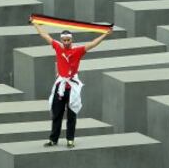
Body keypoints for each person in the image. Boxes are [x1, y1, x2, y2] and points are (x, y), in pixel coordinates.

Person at [30, 18, 112, 148]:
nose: (66, 42)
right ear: (62, 40)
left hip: (72, 87)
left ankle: (70, 139)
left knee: (72, 114)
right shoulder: (57, 47)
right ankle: (53, 139)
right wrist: (35, 24)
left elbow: (93, 44)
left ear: (72, 40)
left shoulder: (78, 50)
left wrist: (105, 35)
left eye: (68, 40)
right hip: (60, 86)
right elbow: (44, 35)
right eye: (64, 40)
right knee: (57, 114)